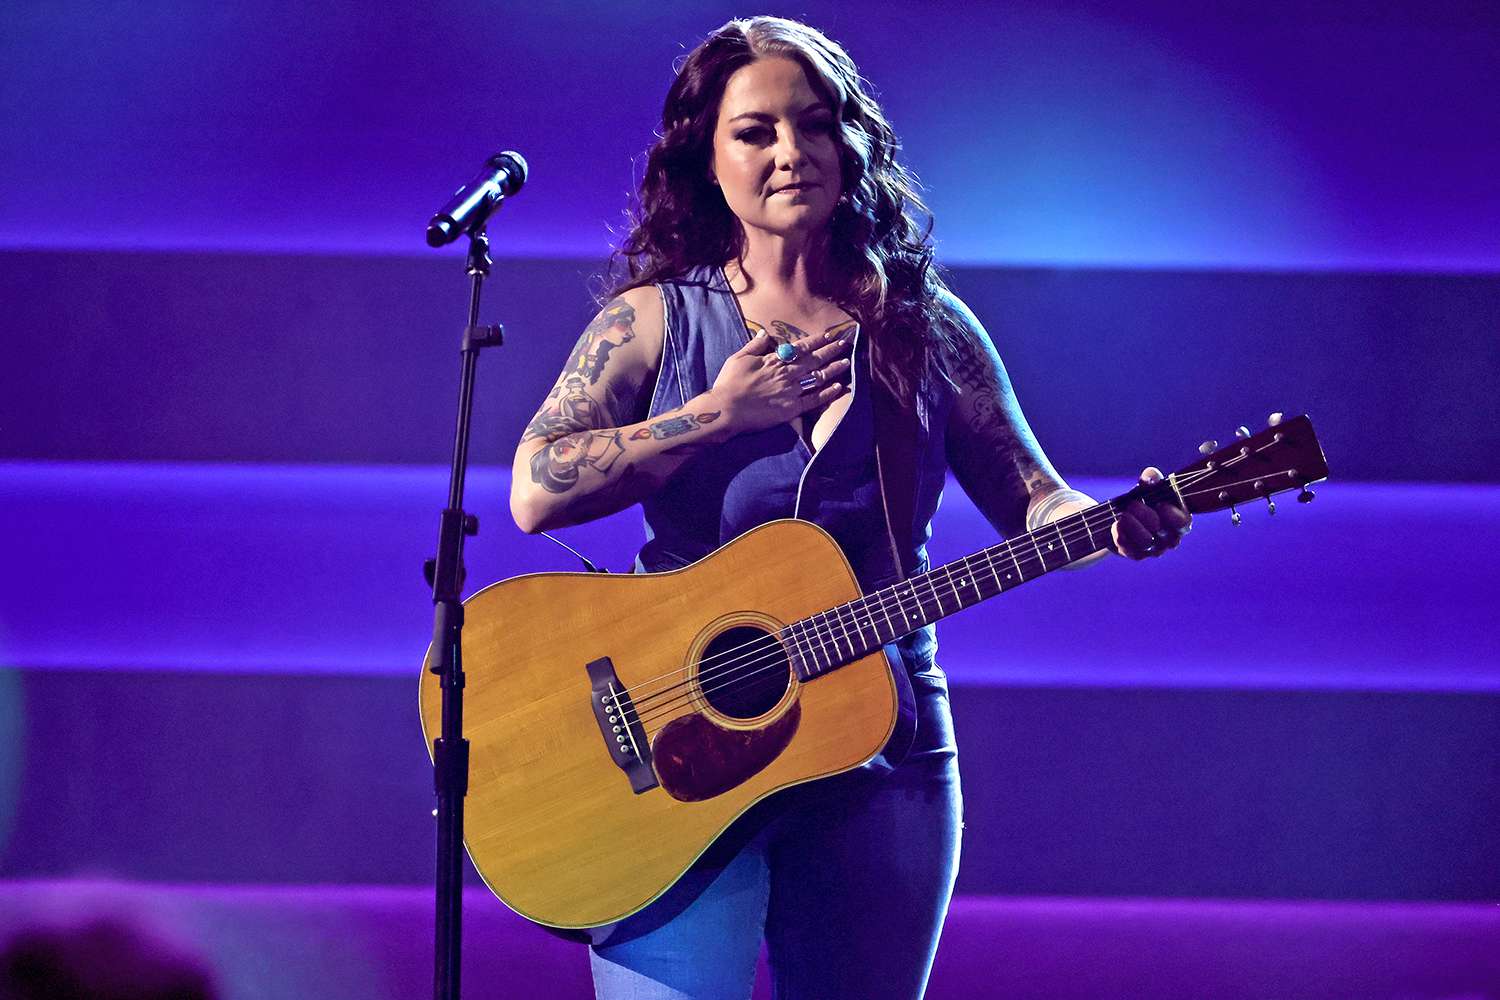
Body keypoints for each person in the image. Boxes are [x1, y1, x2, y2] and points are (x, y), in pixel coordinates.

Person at [509, 16, 1190, 999]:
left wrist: (1111, 525)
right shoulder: (653, 319)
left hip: (879, 745)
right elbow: (535, 486)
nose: (791, 152)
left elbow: (1034, 500)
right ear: (706, 157)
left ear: (851, 144)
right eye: (756, 132)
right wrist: (713, 414)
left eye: (816, 124)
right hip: (667, 742)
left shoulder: (926, 328)